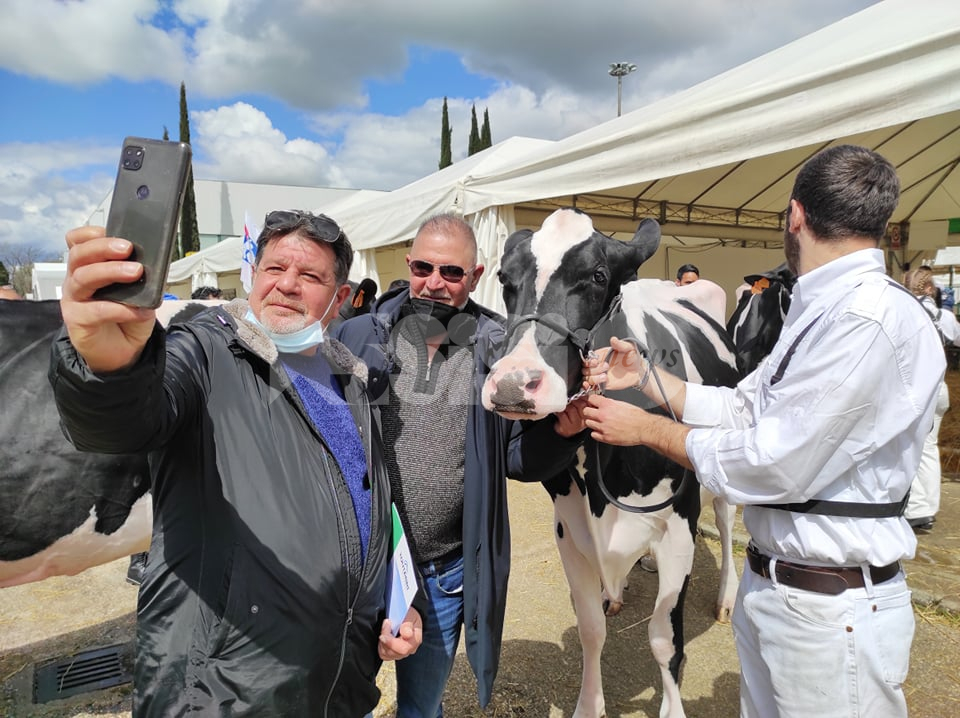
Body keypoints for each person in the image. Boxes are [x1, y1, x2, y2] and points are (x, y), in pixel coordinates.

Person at [579, 145, 944, 717]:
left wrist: (647, 429)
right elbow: (748, 407)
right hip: (789, 595)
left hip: (830, 612)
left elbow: (773, 462)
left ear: (795, 215)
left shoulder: (864, 319)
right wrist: (649, 380)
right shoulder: (827, 307)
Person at [49, 210, 422, 717]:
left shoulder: (351, 380)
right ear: (253, 276)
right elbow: (122, 423)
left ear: (339, 299)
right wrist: (106, 367)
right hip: (224, 690)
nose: (287, 284)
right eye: (274, 268)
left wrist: (396, 604)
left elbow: (367, 508)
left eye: (310, 276)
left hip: (339, 680)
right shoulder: (204, 352)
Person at [335, 213, 581, 717]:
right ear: (408, 265)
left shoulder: (499, 349)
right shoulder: (357, 335)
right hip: (360, 567)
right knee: (341, 701)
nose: (435, 282)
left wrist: (562, 434)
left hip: (441, 574)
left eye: (451, 272)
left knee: (422, 708)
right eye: (423, 268)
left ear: (475, 275)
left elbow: (514, 456)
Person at [901, 265, 951, 531]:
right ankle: (926, 507)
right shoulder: (944, 316)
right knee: (928, 448)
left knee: (912, 447)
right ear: (930, 288)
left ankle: (917, 508)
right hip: (939, 386)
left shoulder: (905, 310)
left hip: (916, 387)